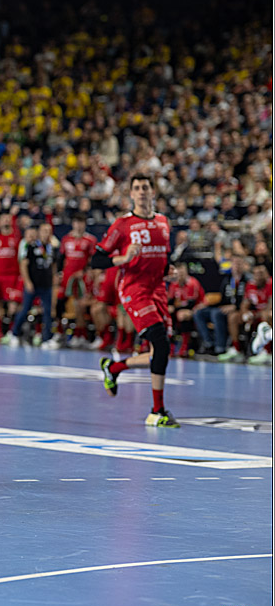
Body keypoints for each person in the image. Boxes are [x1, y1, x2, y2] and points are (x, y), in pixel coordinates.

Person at [94, 174, 178, 427]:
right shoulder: (122, 224)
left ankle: (115, 368)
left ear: (153, 192)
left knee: (161, 352)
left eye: (146, 187)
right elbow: (96, 260)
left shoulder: (164, 222)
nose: (142, 192)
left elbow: (162, 257)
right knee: (160, 345)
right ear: (131, 194)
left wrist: (168, 271)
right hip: (134, 289)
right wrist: (122, 259)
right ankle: (157, 411)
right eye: (137, 188)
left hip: (158, 289)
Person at [3, 222, 60, 348]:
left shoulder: (52, 249)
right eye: (44, 231)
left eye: (49, 231)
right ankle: (14, 333)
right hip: (32, 285)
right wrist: (27, 282)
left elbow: (54, 266)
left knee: (48, 312)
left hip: (47, 285)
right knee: (24, 310)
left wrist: (54, 280)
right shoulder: (31, 246)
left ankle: (46, 339)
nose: (47, 234)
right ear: (39, 233)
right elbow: (23, 265)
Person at [56, 213, 97, 346]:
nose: (78, 226)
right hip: (66, 279)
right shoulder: (66, 239)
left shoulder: (90, 240)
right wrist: (58, 274)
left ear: (85, 224)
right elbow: (61, 259)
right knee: (58, 304)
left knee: (79, 307)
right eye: (76, 222)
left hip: (81, 280)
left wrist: (84, 272)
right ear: (73, 224)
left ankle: (80, 335)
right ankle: (59, 333)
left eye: (81, 223)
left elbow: (93, 261)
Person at [218, 259, 265, 362]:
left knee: (267, 316)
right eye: (256, 274)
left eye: (261, 273)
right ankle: (236, 348)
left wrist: (255, 314)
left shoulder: (269, 284)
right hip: (253, 312)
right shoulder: (250, 284)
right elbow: (245, 302)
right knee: (232, 317)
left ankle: (266, 351)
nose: (258, 276)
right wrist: (245, 313)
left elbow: (270, 306)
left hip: (264, 313)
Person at [0, 212, 22, 342]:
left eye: (9, 219)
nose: (6, 222)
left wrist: (13, 216)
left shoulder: (16, 238)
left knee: (13, 305)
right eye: (4, 219)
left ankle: (12, 332)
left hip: (12, 276)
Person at [166, 263, 206, 358]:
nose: (180, 276)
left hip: (196, 309)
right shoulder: (174, 285)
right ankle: (170, 345)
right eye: (178, 274)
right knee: (167, 313)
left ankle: (184, 346)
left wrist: (175, 308)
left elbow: (191, 303)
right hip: (179, 310)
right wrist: (171, 307)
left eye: (182, 273)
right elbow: (170, 300)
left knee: (182, 315)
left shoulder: (193, 283)